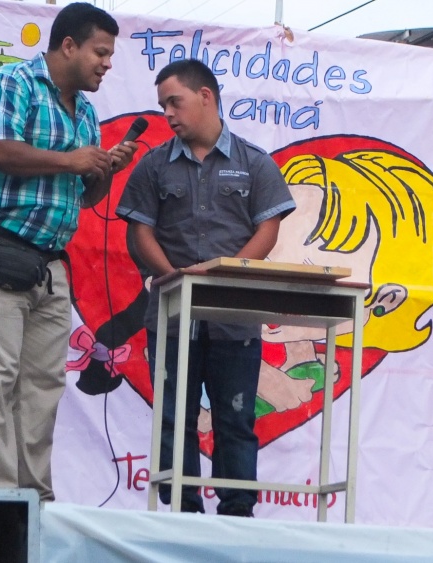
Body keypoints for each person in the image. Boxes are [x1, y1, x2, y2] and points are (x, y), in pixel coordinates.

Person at [0, 3, 136, 497]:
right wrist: (71, 159)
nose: (107, 63)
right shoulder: (12, 84)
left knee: (42, 388)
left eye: (110, 54)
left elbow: (86, 197)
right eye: (100, 51)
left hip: (49, 267)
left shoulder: (87, 112)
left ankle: (33, 503)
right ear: (68, 46)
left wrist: (100, 170)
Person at [116, 59, 295, 517]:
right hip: (173, 315)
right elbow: (139, 233)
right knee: (174, 419)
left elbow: (268, 229)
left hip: (235, 317)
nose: (168, 114)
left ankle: (237, 515)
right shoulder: (154, 166)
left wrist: (226, 275)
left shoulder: (255, 163)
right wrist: (174, 277)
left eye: (174, 102)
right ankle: (183, 512)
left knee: (236, 417)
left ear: (206, 97)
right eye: (162, 106)